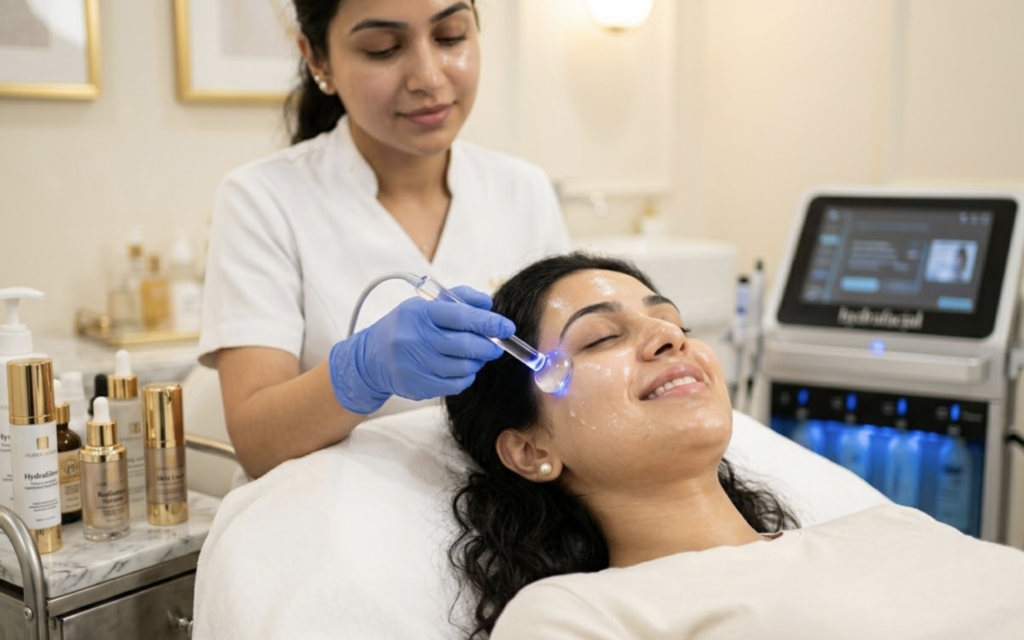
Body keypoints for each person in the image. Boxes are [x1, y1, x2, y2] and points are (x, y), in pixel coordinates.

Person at [444, 252, 1024, 640]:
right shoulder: (576, 616)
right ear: (528, 450)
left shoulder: (889, 526)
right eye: (602, 337)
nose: (669, 338)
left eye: (675, 324)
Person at [199, 0, 569, 479]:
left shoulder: (523, 189)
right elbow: (256, 441)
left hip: (509, 513)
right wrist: (359, 373)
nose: (428, 77)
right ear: (318, 60)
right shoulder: (262, 199)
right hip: (341, 522)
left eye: (450, 36)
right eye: (383, 48)